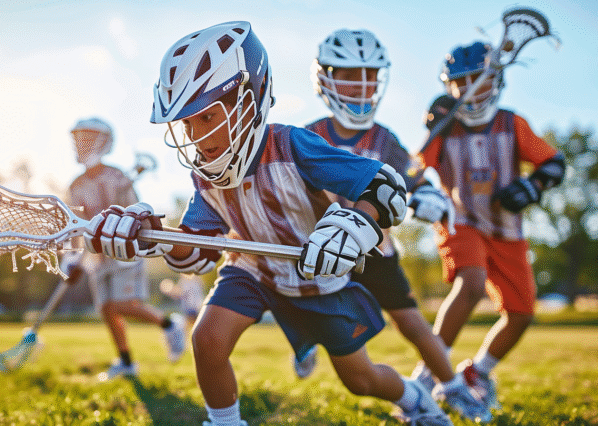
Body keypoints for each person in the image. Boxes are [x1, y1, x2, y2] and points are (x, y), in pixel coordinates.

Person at [84, 21, 452, 426]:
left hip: (318, 279)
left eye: (206, 117)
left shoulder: (293, 145)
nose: (195, 135)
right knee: (207, 339)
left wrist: (358, 221)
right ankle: (224, 422)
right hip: (253, 270)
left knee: (361, 380)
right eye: (187, 122)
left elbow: (383, 187)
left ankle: (415, 398)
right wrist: (152, 234)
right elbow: (199, 249)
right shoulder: (205, 174)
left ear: (247, 100)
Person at [292, 28, 489, 423]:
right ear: (325, 78)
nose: (361, 85)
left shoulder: (383, 139)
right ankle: (304, 342)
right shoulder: (309, 136)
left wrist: (427, 193)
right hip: (325, 253)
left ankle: (452, 387)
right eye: (349, 74)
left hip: (375, 250)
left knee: (413, 324)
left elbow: (412, 177)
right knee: (293, 302)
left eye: (369, 74)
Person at [413, 42, 565, 410]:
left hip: (506, 229)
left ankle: (478, 371)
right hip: (460, 219)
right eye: (461, 83)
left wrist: (532, 186)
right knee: (472, 283)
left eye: (478, 81)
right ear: (448, 87)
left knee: (522, 313)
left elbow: (554, 164)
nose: (471, 90)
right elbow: (414, 170)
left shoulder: (512, 122)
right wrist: (430, 131)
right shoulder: (445, 125)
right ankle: (425, 377)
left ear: (495, 81)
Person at [64, 117, 186, 379]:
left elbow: (137, 216)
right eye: (78, 138)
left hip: (124, 252)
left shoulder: (117, 177)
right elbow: (75, 225)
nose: (81, 144)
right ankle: (127, 362)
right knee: (107, 309)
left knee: (122, 304)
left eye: (88, 137)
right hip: (97, 257)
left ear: (103, 142)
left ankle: (170, 324)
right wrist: (73, 260)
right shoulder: (76, 185)